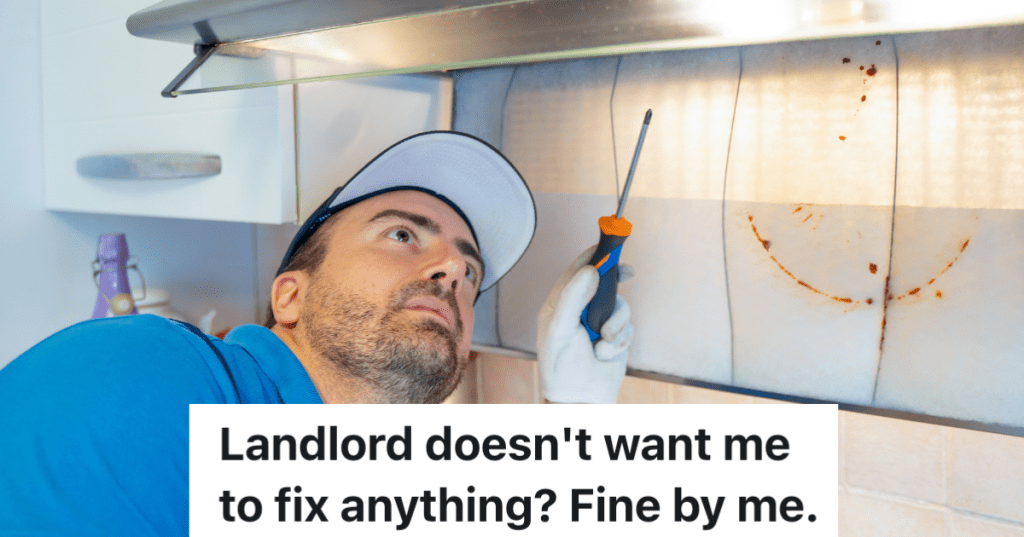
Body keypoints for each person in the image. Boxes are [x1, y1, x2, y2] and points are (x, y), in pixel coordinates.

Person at [0, 131, 634, 535]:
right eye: (403, 234)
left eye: (469, 273)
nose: (451, 270)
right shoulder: (151, 370)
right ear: (291, 296)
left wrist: (576, 415)